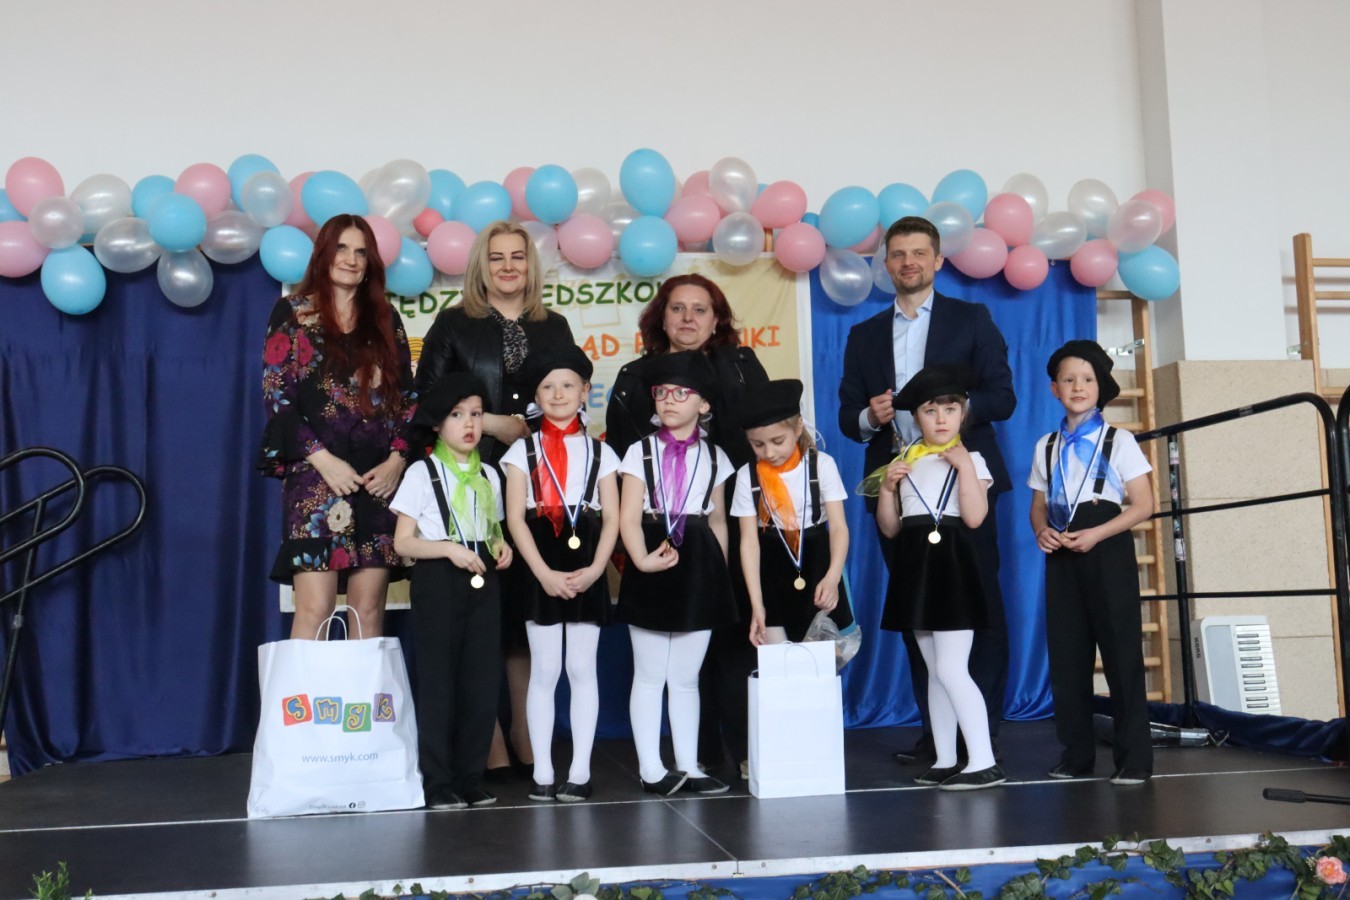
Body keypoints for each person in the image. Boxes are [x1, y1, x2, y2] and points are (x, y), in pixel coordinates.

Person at [838, 215, 1015, 764]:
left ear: (938, 260)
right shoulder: (864, 335)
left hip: (964, 481)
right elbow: (847, 416)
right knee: (921, 613)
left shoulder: (971, 318)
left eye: (919, 253)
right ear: (885, 265)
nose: (908, 262)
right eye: (897, 254)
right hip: (900, 487)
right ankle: (937, 740)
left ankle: (981, 737)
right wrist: (869, 416)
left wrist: (948, 413)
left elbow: (1003, 396)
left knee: (978, 609)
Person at [415, 220, 576, 778]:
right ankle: (485, 740)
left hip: (539, 483)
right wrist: (495, 423)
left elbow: (567, 398)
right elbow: (426, 403)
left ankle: (525, 731)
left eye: (518, 257)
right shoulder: (453, 323)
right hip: (471, 480)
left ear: (532, 266)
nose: (508, 267)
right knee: (477, 613)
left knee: (522, 614)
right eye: (497, 257)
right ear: (480, 265)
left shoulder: (554, 326)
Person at [606, 273, 768, 775]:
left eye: (700, 309)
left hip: (726, 532)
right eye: (678, 308)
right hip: (654, 536)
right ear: (662, 317)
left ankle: (741, 752)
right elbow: (621, 470)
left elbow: (766, 441)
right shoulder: (635, 378)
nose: (688, 318)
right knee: (661, 665)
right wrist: (634, 551)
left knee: (729, 647)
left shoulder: (741, 367)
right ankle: (687, 759)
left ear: (717, 319)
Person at [260, 213, 413, 639]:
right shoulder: (292, 312)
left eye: (361, 252)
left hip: (376, 480)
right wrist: (324, 461)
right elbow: (278, 398)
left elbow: (408, 398)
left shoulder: (386, 318)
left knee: (368, 611)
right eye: (342, 248)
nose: (351, 259)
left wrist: (397, 461)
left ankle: (363, 690)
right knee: (316, 609)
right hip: (315, 476)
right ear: (324, 253)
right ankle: (299, 690)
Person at [1029, 340, 1155, 786]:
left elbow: (1144, 504)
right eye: (1068, 380)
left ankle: (1134, 758)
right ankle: (1077, 753)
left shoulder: (1119, 440)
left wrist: (1097, 534)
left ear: (1100, 387)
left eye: (1087, 379)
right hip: (1063, 551)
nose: (1077, 387)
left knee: (1121, 654)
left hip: (1106, 547)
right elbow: (1038, 505)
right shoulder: (1046, 445)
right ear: (1054, 389)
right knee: (1067, 656)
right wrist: (1041, 531)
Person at [875, 365, 1004, 791]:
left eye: (950, 409)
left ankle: (984, 760)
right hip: (916, 564)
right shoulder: (904, 461)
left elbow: (975, 516)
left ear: (963, 414)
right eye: (930, 411)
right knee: (933, 668)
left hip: (953, 566)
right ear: (916, 418)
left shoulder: (973, 459)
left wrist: (964, 467)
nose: (941, 418)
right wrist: (887, 490)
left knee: (951, 666)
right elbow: (890, 528)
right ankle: (945, 757)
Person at [501, 346, 621, 804]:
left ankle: (581, 771)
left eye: (568, 385)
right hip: (539, 561)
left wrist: (596, 569)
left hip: (587, 558)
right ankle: (544, 772)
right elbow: (515, 519)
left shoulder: (601, 452)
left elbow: (612, 518)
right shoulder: (522, 450)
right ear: (536, 395)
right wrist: (543, 574)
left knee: (581, 668)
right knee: (545, 669)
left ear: (585, 391)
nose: (557, 394)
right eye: (547, 387)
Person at [390, 373, 513, 810]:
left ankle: (470, 776)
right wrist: (447, 549)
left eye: (476, 414)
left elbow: (493, 529)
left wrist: (501, 546)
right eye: (457, 415)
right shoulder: (422, 473)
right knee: (439, 682)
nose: (470, 424)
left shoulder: (490, 475)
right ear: (438, 425)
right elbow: (403, 543)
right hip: (439, 578)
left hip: (482, 578)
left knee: (481, 680)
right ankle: (437, 781)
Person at [617, 351, 737, 796]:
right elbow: (629, 517)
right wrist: (641, 560)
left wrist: (719, 573)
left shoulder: (716, 457)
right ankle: (651, 768)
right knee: (650, 673)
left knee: (686, 677)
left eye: (681, 393)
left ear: (703, 404)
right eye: (662, 392)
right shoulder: (639, 451)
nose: (669, 400)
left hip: (700, 562)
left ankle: (689, 765)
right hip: (652, 556)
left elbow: (718, 519)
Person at [731, 379, 852, 645]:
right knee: (779, 661)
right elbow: (749, 542)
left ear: (798, 427)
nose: (769, 452)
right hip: (770, 573)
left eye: (777, 441)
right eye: (758, 445)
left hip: (818, 567)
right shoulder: (747, 476)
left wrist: (832, 578)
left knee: (820, 661)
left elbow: (839, 528)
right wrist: (756, 603)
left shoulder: (822, 465)